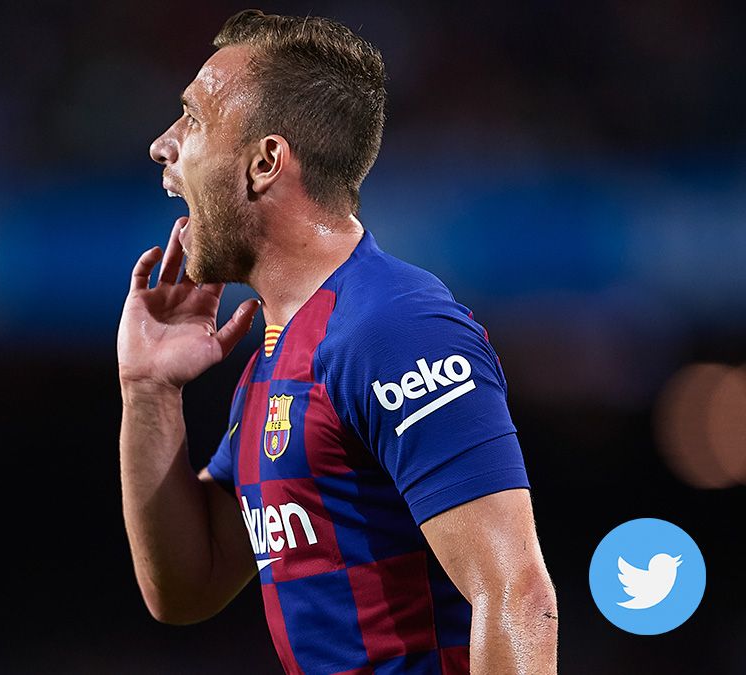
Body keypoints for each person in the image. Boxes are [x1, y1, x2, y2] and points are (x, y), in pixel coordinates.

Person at [117, 9, 558, 674]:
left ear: (265, 161)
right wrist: (148, 391)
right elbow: (188, 583)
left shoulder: (395, 329)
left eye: (194, 119)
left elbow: (517, 593)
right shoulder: (278, 351)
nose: (162, 144)